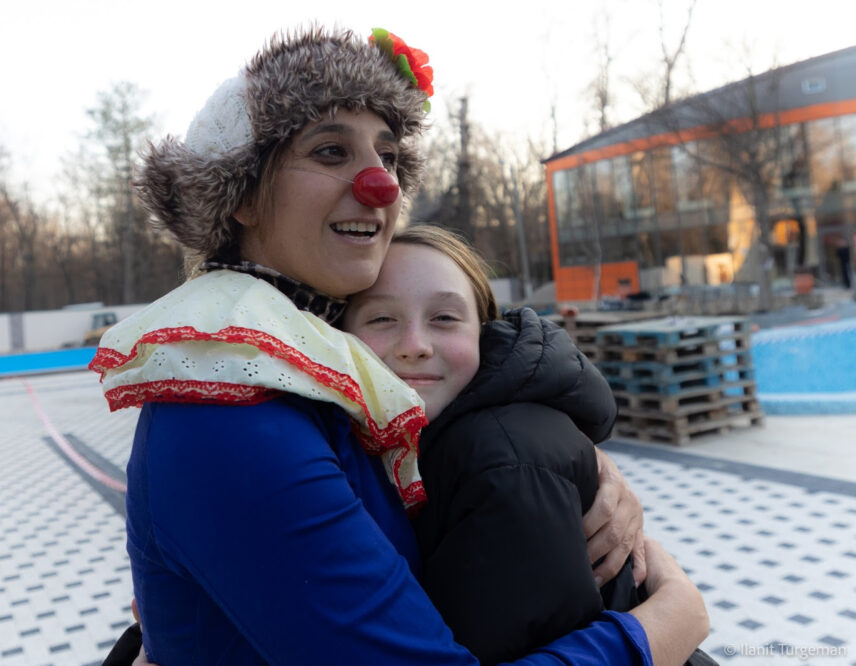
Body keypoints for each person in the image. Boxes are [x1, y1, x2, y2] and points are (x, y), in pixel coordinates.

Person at [90, 25, 708, 665]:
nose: (379, 184)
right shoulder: (230, 416)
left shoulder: (316, 368)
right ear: (242, 194)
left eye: (387, 155)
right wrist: (659, 627)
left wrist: (566, 466)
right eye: (331, 151)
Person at [344, 226, 712, 665]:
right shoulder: (424, 441)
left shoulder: (502, 463)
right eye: (381, 319)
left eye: (444, 318)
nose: (415, 346)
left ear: (483, 331)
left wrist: (679, 610)